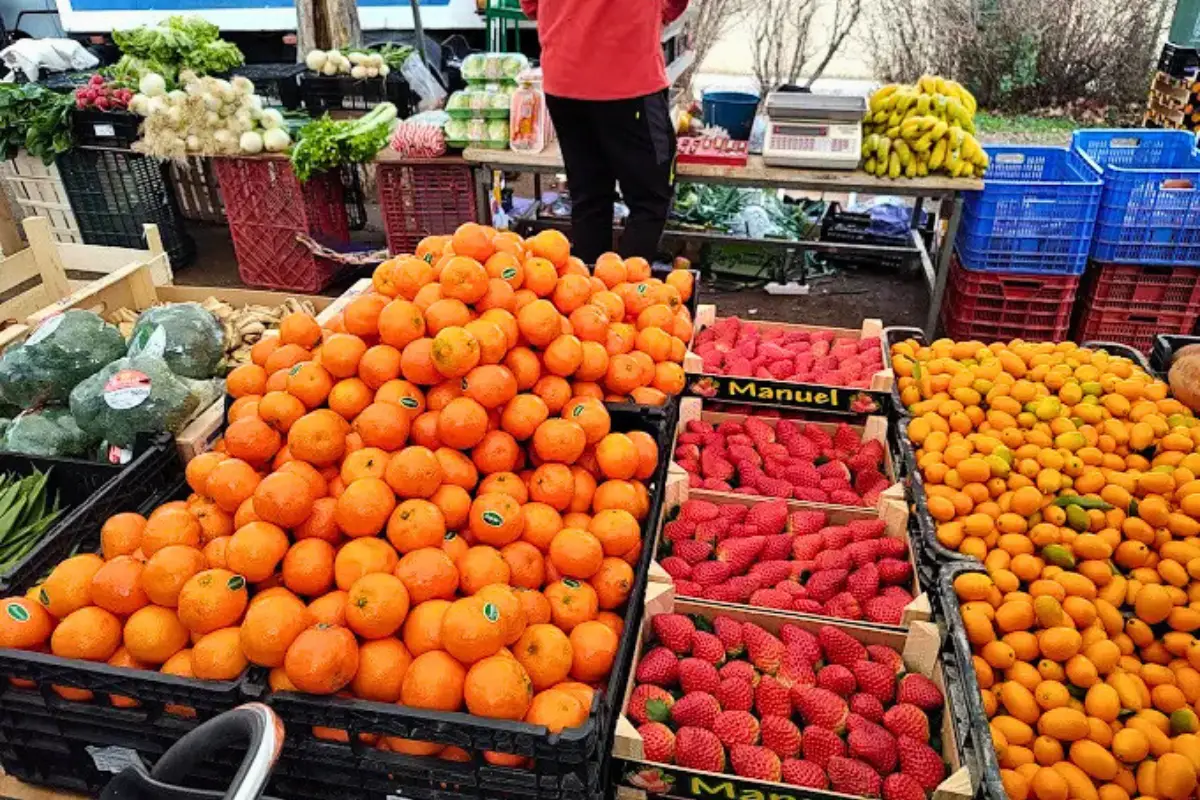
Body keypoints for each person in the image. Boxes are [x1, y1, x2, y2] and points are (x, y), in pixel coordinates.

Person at [519, 0, 688, 264]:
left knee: (588, 196)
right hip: (630, 78)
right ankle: (627, 294)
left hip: (564, 78)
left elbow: (530, 5)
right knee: (650, 200)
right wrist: (661, 12)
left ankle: (587, 295)